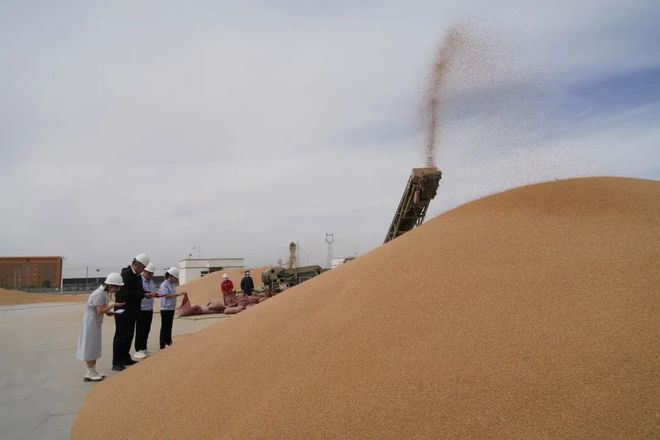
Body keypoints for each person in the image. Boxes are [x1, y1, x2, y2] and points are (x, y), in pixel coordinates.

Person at [76, 273, 125, 382]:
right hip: (91, 322)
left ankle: (92, 371)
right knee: (90, 346)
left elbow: (102, 309)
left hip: (95, 321)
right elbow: (99, 311)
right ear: (110, 285)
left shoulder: (104, 293)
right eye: (116, 287)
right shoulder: (99, 294)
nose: (117, 290)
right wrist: (113, 305)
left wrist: (110, 312)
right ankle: (90, 372)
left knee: (94, 346)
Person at [112, 253, 156, 371]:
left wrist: (146, 293)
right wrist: (142, 294)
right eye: (142, 268)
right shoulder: (126, 275)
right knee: (121, 336)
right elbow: (123, 293)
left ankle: (125, 358)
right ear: (136, 264)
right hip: (123, 310)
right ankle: (116, 362)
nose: (143, 270)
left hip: (133, 311)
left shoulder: (136, 276)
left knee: (129, 335)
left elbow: (138, 291)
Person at [134, 262, 157, 359]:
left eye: (152, 274)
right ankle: (138, 349)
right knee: (140, 330)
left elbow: (151, 293)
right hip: (141, 309)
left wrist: (155, 294)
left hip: (149, 308)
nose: (151, 275)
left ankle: (144, 348)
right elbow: (140, 294)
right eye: (149, 273)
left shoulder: (151, 282)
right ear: (145, 271)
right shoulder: (139, 281)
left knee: (147, 329)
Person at [159, 267, 185, 349]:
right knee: (164, 326)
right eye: (175, 278)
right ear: (170, 276)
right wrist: (178, 294)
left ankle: (168, 341)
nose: (176, 280)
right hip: (165, 308)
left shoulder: (172, 285)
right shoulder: (164, 285)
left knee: (169, 326)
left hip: (171, 308)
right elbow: (166, 295)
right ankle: (162, 344)